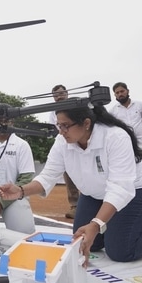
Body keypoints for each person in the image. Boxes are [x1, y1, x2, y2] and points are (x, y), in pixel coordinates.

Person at [0, 104, 142, 267]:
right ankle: (114, 227)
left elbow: (120, 188)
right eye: (58, 126)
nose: (61, 132)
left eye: (65, 126)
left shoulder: (115, 137)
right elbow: (47, 176)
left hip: (136, 191)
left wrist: (96, 224)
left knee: (121, 251)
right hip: (94, 195)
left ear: (86, 123)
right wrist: (20, 191)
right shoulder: (62, 141)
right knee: (86, 241)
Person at [109, 82, 142, 218]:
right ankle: (128, 208)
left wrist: (137, 138)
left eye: (122, 91)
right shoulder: (113, 110)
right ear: (114, 95)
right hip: (124, 149)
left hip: (141, 146)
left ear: (127, 91)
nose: (120, 94)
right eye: (117, 92)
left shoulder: (140, 105)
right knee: (126, 178)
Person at [0, 104, 36, 234]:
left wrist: (0, 203)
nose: (3, 124)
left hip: (13, 196)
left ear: (12, 121)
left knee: (24, 233)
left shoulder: (22, 145)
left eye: (7, 120)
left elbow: (26, 179)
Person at [50, 84, 80, 219]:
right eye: (56, 95)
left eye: (61, 93)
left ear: (67, 94)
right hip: (65, 146)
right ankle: (75, 206)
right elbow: (56, 131)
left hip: (82, 144)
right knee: (69, 177)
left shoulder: (76, 106)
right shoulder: (51, 112)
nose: (59, 97)